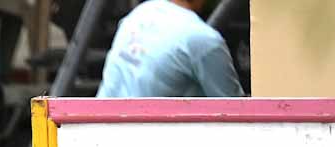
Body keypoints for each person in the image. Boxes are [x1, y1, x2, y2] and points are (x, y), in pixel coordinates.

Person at [98, 0, 243, 98]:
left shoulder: (140, 12)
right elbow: (236, 114)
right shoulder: (205, 39)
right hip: (147, 133)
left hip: (98, 129)